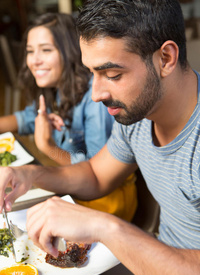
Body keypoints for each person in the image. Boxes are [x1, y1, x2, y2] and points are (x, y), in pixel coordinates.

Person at [0, 0, 199, 275]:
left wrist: (105, 226)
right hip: (149, 268)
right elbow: (96, 175)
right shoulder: (137, 114)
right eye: (92, 73)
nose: (96, 94)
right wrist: (30, 173)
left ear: (166, 58)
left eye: (113, 75)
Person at [0, 12, 137, 222]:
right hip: (73, 189)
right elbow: (29, 117)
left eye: (46, 50)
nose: (34, 60)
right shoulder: (54, 87)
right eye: (30, 51)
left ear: (70, 52)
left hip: (107, 203)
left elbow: (95, 171)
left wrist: (47, 147)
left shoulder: (96, 99)